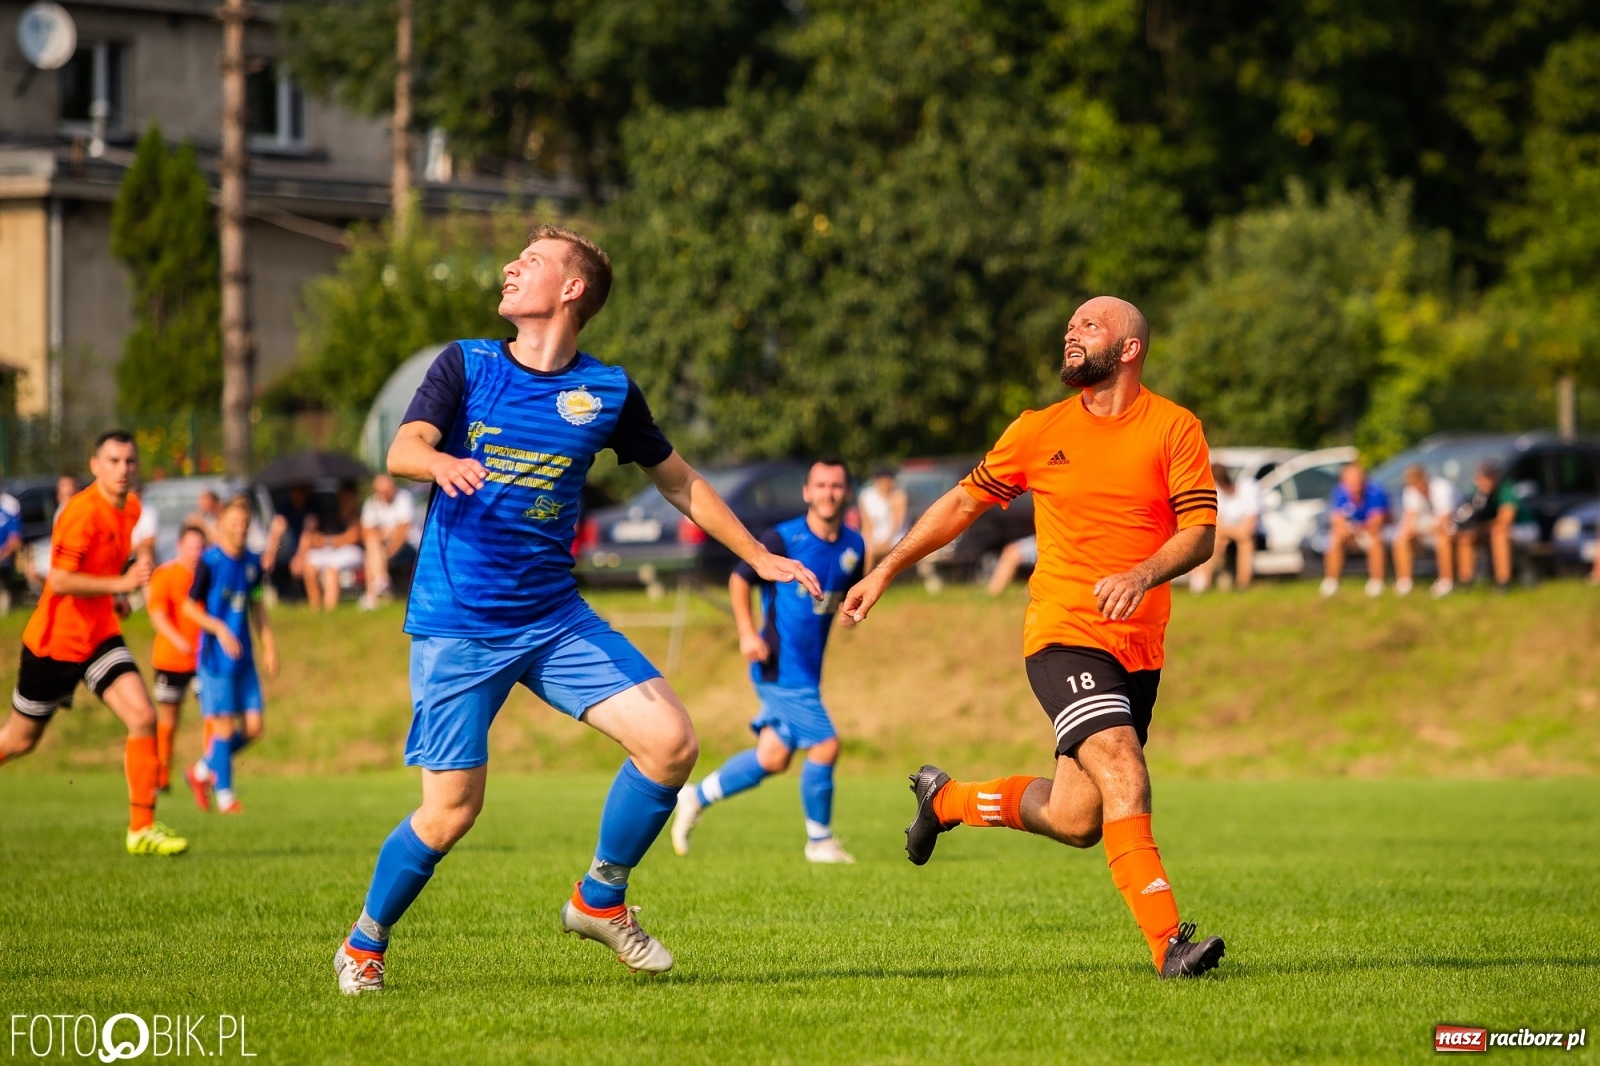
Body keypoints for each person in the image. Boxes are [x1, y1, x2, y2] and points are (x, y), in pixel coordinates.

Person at [333, 224, 820, 994]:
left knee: (671, 742)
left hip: (555, 619)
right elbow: (402, 450)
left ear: (570, 290)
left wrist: (758, 556)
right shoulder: (467, 362)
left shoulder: (608, 392)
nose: (508, 268)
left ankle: (599, 897)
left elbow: (679, 481)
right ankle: (363, 945)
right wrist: (439, 462)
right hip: (460, 624)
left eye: (528, 262)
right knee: (452, 813)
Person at [840, 296, 1225, 980]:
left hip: (1139, 645)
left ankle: (947, 799)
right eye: (1071, 324)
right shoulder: (1036, 430)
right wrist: (886, 568)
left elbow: (1199, 533)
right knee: (1124, 768)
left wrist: (1142, 573)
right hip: (1064, 632)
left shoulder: (1174, 428)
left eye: (1090, 325)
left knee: (1079, 818)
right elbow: (962, 502)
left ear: (1129, 348)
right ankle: (1170, 943)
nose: (1072, 334)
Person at [0, 431, 188, 856]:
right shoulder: (81, 513)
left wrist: (116, 596)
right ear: (95, 465)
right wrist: (119, 583)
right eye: (114, 461)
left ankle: (141, 828)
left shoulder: (132, 509)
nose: (123, 469)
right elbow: (60, 579)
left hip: (99, 636)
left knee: (142, 716)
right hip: (54, 644)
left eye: (129, 461)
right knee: (19, 741)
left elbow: (106, 564)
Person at [671, 457, 865, 864]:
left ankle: (696, 796)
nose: (828, 493)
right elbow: (740, 579)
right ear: (807, 493)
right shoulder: (781, 539)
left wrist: (850, 612)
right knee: (826, 745)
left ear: (845, 493)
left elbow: (844, 597)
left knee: (773, 757)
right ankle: (820, 841)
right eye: (821, 485)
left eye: (836, 486)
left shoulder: (854, 546)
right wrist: (746, 633)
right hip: (777, 664)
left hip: (810, 669)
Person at [182, 496, 278, 814]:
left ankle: (201, 771)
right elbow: (187, 606)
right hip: (215, 660)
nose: (240, 529)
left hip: (245, 659)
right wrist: (218, 628)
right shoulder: (209, 562)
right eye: (234, 524)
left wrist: (270, 648)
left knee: (254, 728)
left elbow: (258, 607)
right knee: (222, 728)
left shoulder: (252, 564)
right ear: (221, 524)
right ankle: (225, 796)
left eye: (245, 524)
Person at [147, 525, 207, 791]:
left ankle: (209, 773)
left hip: (203, 661)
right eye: (191, 547)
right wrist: (177, 639)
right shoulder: (166, 575)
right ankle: (162, 776)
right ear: (180, 547)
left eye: (200, 547)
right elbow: (157, 614)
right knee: (168, 721)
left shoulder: (208, 575)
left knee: (213, 716)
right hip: (170, 659)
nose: (196, 553)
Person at [1321, 462, 1389, 598]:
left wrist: (1357, 529)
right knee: (1336, 538)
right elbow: (1337, 520)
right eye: (1350, 480)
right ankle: (1331, 581)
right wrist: (1348, 530)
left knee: (1375, 540)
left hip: (1373, 532)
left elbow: (1377, 521)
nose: (1354, 482)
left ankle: (1376, 581)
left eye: (1357, 478)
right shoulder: (1340, 492)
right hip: (1353, 532)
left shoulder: (1375, 491)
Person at [1189, 463, 1258, 593]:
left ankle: (1242, 584)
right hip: (1230, 532)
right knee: (1215, 540)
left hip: (1247, 533)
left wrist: (1232, 531)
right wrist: (1233, 532)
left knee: (1245, 542)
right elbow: (1217, 522)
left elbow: (1250, 525)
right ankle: (1205, 582)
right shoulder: (1216, 491)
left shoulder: (1248, 487)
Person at [1453, 461, 1521, 591]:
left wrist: (1481, 527)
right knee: (1466, 537)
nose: (1486, 481)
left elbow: (1505, 520)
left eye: (1489, 478)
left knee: (1499, 535)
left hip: (1522, 529)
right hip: (1488, 529)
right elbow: (1467, 516)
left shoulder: (1505, 489)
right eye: (1483, 478)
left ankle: (1503, 582)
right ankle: (1465, 581)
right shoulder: (1476, 493)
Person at [1393, 464, 1456, 598]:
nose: (1415, 488)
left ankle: (1446, 580)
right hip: (1427, 528)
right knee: (1402, 539)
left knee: (1442, 538)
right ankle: (1404, 581)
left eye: (1416, 483)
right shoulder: (1410, 491)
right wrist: (1407, 531)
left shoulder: (1443, 488)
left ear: (1424, 478)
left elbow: (1444, 521)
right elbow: (1409, 518)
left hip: (1453, 526)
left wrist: (1420, 530)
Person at [300, 485, 363, 610]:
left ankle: (330, 608)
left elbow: (352, 537)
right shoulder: (329, 513)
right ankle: (315, 606)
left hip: (352, 552)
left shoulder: (356, 515)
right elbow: (312, 537)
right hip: (330, 552)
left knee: (331, 568)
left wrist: (326, 541)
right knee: (308, 564)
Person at [359, 475, 416, 609]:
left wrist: (386, 553)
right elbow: (367, 531)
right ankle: (381, 584)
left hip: (408, 546)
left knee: (371, 555)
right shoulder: (372, 503)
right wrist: (384, 536)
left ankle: (372, 594)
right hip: (381, 547)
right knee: (372, 547)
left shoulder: (404, 498)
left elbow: (402, 533)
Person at [858, 466, 908, 573]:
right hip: (873, 536)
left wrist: (885, 541)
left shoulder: (898, 496)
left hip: (894, 536)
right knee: (868, 549)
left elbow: (897, 524)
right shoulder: (866, 496)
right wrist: (870, 540)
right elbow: (867, 524)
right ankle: (863, 580)